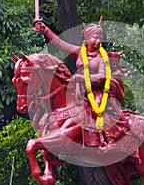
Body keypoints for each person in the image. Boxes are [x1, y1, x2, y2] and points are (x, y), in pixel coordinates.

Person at [33, 17, 129, 151]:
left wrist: (83, 78)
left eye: (99, 38)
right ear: (87, 38)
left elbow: (102, 76)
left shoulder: (102, 56)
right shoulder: (79, 52)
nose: (97, 41)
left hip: (98, 89)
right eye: (94, 37)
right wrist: (45, 29)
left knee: (99, 106)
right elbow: (60, 43)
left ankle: (108, 139)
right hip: (79, 90)